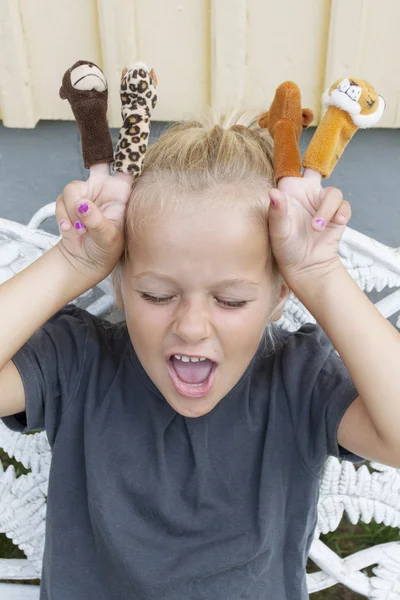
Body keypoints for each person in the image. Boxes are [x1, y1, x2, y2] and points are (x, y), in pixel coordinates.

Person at [1, 110, 400, 600]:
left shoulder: (300, 382)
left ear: (280, 297)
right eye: (156, 295)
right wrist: (70, 262)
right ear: (119, 286)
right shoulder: (77, 363)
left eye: (230, 300)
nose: (190, 326)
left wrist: (318, 272)